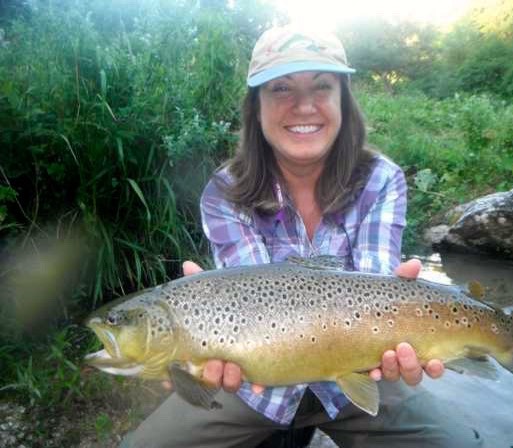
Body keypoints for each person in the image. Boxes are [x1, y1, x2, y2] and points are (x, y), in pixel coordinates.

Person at [127, 25, 483, 448]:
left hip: (362, 372)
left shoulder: (381, 179)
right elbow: (252, 298)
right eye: (280, 89)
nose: (303, 105)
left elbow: (374, 296)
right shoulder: (224, 191)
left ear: (343, 103)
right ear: (255, 108)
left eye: (321, 86)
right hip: (255, 387)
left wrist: (407, 331)